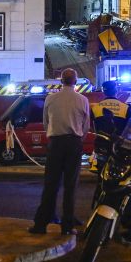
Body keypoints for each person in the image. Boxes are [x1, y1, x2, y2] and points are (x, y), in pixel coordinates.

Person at [31, 68, 92, 235]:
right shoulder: (83, 100)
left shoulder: (50, 99)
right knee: (70, 186)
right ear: (76, 81)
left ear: (61, 81)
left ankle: (41, 224)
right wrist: (78, 139)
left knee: (50, 184)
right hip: (73, 143)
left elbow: (46, 123)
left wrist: (53, 135)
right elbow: (86, 126)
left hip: (55, 143)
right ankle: (67, 226)